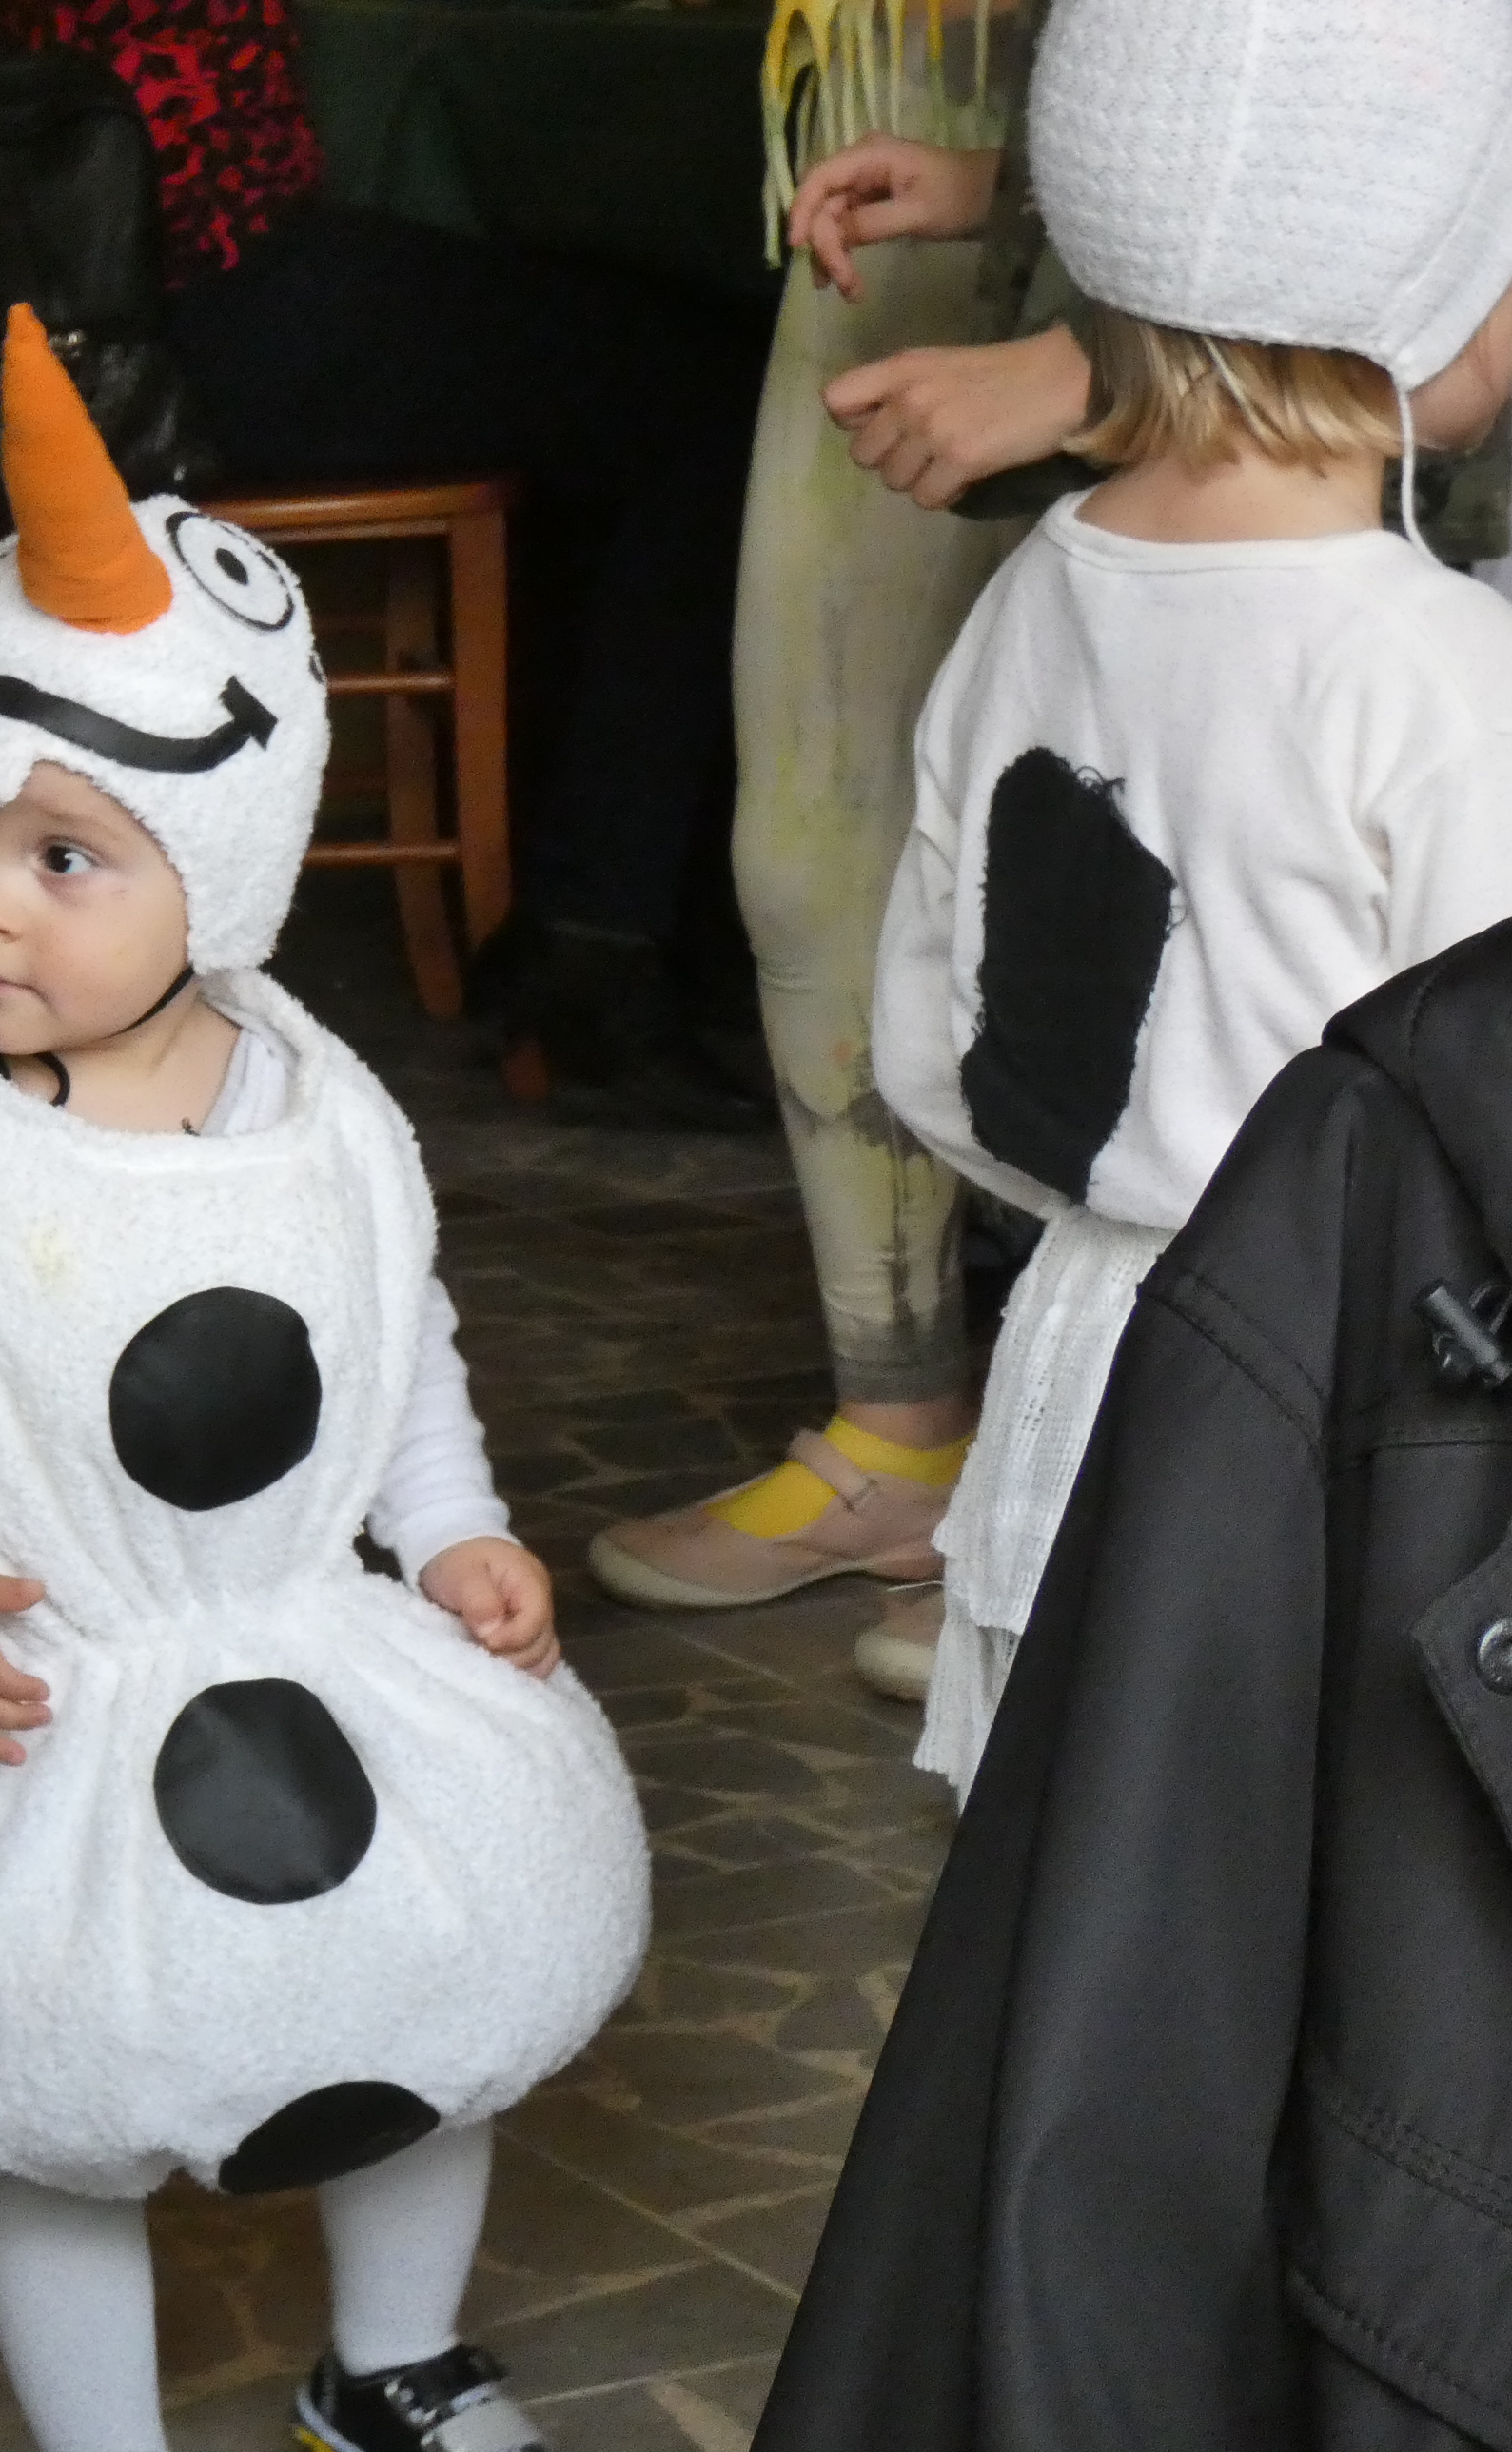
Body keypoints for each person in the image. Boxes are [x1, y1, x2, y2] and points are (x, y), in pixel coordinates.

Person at [0, 309, 650, 2452]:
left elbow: (390, 1328)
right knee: (49, 2094)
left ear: (223, 867)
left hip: (316, 1652)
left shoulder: (312, 1100)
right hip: (39, 1696)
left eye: (64, 855)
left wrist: (451, 1523)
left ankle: (387, 2362)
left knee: (427, 1999)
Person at [864, 0, 1512, 1798]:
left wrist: (1127, 1198)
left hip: (1078, 1388)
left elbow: (935, 1056)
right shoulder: (1454, 679)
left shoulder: (1027, 599)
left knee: (1088, 1918)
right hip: (1355, 1461)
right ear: (1432, 285)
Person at [0, 0, 777, 1127]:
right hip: (191, 288)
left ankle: (625, 917)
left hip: (137, 273)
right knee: (710, 396)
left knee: (649, 380)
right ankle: (608, 937)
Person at [583, 3, 1043, 1686]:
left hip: (1245, 198)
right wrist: (995, 181)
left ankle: (1162, 1489)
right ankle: (903, 1433)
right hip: (939, 84)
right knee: (810, 841)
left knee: (1175, 854)